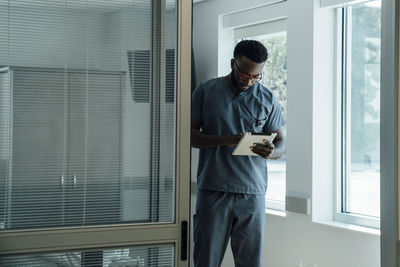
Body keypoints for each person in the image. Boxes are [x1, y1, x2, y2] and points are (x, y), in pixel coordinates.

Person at [191, 39, 286, 267]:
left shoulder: (267, 99)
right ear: (233, 64)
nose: (250, 81)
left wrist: (273, 152)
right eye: (245, 75)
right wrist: (225, 140)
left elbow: (282, 142)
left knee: (250, 262)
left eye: (256, 77)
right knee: (206, 260)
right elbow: (189, 136)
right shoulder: (206, 91)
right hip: (214, 190)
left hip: (252, 193)